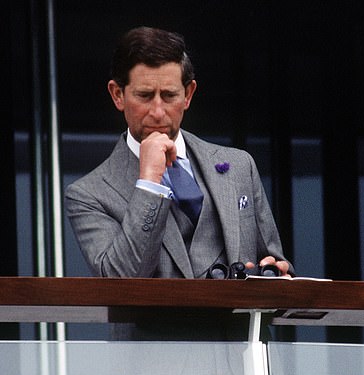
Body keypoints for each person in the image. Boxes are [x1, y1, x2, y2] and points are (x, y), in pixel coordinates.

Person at [65, 26, 292, 340]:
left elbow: (276, 265)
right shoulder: (88, 194)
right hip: (151, 374)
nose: (158, 111)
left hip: (240, 367)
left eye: (169, 95)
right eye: (144, 96)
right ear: (118, 95)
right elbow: (121, 283)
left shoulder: (239, 166)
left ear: (188, 94)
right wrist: (149, 183)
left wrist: (277, 272)